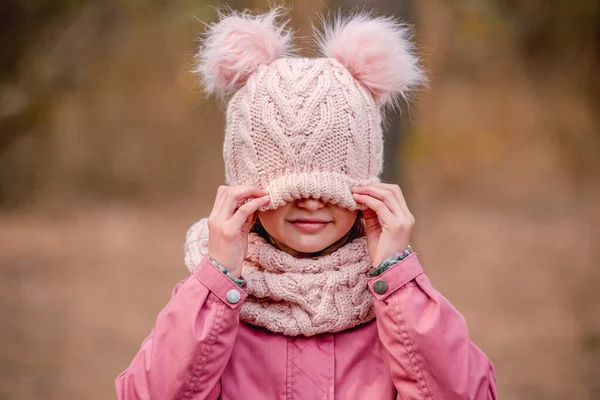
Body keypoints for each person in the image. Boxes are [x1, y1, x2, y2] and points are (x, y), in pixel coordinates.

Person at [115, 7, 498, 400]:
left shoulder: (401, 306)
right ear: (244, 192)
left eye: (333, 186)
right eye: (288, 187)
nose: (313, 202)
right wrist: (217, 282)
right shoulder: (208, 306)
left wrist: (398, 280)